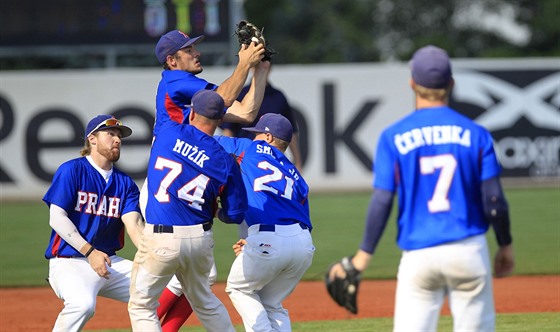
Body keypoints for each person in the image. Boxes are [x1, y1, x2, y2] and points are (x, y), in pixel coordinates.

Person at [328, 45, 515, 331]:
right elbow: (494, 200)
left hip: (419, 255)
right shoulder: (477, 134)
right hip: (467, 250)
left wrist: (364, 255)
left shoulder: (392, 137)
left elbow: (382, 199)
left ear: (412, 83)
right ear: (451, 84)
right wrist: (505, 244)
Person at [146, 29, 270, 331]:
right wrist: (242, 62)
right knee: (185, 277)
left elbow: (245, 111)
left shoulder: (188, 90)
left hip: (180, 173)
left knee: (200, 275)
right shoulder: (175, 80)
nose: (196, 53)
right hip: (169, 179)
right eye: (189, 50)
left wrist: (259, 69)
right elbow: (223, 98)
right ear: (173, 60)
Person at [128, 90, 247, 332]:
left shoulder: (167, 132)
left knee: (141, 305)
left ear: (191, 112)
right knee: (205, 302)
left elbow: (167, 100)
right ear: (221, 120)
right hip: (200, 239)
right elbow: (235, 213)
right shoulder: (225, 160)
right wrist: (219, 213)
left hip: (161, 237)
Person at [43, 115, 144, 331]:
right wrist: (90, 252)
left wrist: (155, 256)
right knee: (83, 305)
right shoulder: (72, 170)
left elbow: (134, 225)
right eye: (111, 134)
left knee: (169, 286)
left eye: (119, 136)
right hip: (70, 261)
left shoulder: (125, 183)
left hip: (110, 263)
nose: (117, 140)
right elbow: (57, 217)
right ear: (92, 139)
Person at [215, 113, 315, 332]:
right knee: (271, 303)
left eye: (258, 133)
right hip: (303, 244)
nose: (254, 137)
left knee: (238, 288)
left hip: (270, 237)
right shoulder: (295, 174)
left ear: (269, 137)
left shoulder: (249, 148)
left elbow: (207, 140)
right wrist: (256, 241)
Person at [220, 65, 303, 171]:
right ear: (251, 69)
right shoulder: (241, 94)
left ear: (270, 68)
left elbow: (290, 132)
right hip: (244, 155)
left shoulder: (278, 96)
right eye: (256, 66)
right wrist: (230, 157)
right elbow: (228, 129)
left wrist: (298, 161)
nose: (261, 69)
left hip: (272, 156)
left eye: (264, 66)